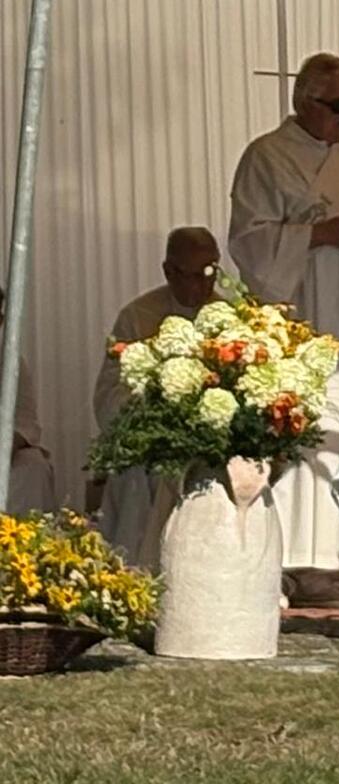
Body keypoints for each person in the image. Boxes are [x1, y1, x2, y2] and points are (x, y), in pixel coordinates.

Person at [229, 51, 339, 607]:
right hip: (299, 315)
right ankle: (288, 560)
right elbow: (249, 241)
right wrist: (316, 234)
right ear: (303, 102)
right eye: (336, 104)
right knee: (302, 430)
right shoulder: (266, 156)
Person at [93, 227, 220, 563]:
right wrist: (157, 407)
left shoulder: (230, 316)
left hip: (213, 443)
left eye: (209, 272)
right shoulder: (136, 318)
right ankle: (142, 571)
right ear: (168, 271)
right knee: (144, 473)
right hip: (153, 444)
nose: (201, 285)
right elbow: (108, 395)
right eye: (190, 274)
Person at [0, 286, 56, 515]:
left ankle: (22, 536)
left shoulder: (10, 363)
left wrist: (5, 446)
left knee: (33, 466)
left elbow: (25, 424)